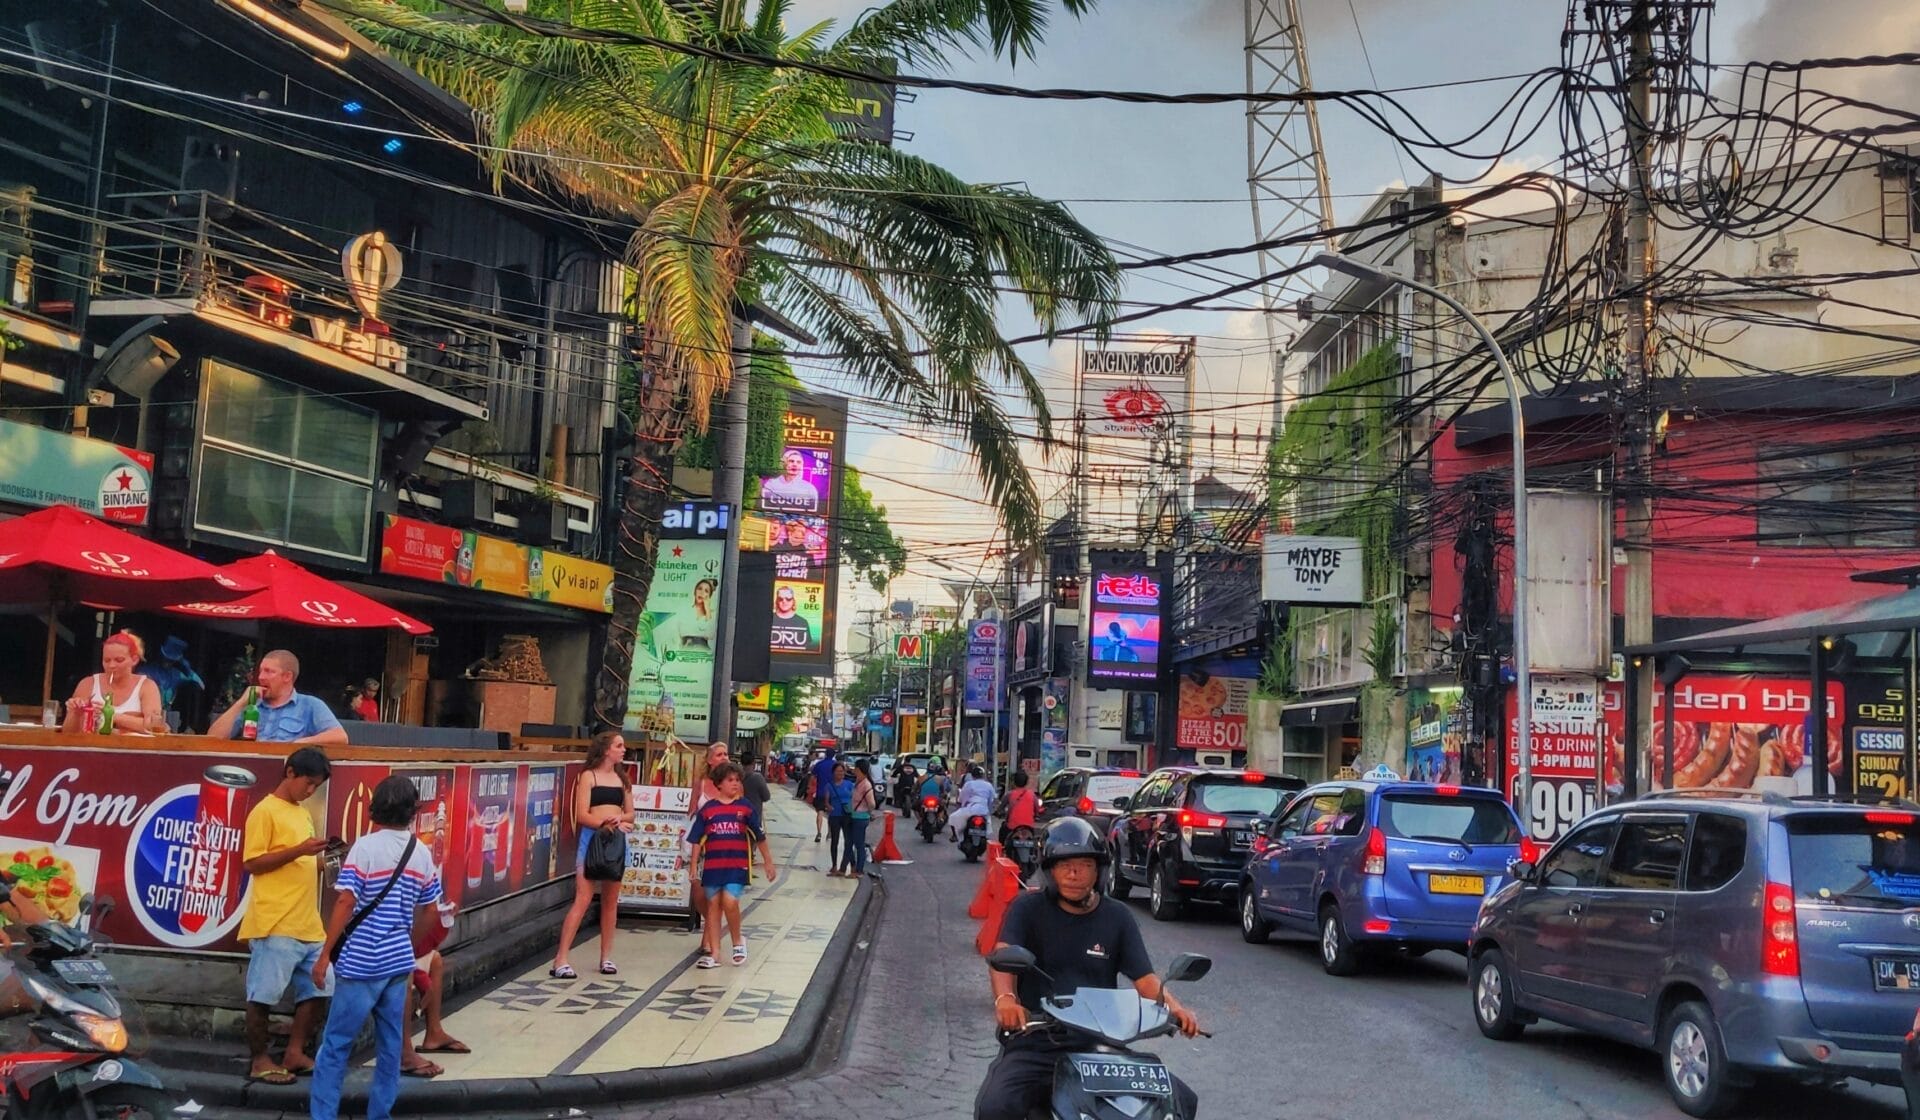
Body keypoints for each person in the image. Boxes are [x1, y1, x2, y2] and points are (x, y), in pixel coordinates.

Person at [976, 818, 1200, 1120]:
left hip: (1101, 1044)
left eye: (1085, 864)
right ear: (1050, 870)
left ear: (1099, 870)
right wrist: (1006, 1000)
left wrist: (1177, 1010)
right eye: (1064, 865)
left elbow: (1145, 980)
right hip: (1038, 1041)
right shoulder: (1027, 908)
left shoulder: (1117, 916)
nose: (1074, 874)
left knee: (1180, 1099)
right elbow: (1004, 955)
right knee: (996, 1107)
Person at [310, 776, 444, 1120]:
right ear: (412, 811)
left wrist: (325, 954)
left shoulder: (366, 848)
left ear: (377, 807)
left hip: (361, 962)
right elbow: (432, 910)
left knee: (336, 1046)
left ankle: (323, 1115)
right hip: (398, 964)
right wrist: (409, 945)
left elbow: (346, 900)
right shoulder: (420, 851)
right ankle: (379, 1115)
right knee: (390, 1048)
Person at [238, 747, 334, 1085]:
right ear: (290, 773)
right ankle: (260, 1060)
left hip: (307, 922)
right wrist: (299, 851)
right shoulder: (264, 812)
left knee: (320, 990)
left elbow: (301, 862)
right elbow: (252, 863)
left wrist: (327, 860)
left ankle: (294, 1051)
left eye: (316, 787)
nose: (310, 791)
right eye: (308, 783)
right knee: (262, 995)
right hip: (275, 920)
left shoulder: (302, 812)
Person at [550, 732, 635, 979]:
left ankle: (606, 956)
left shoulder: (623, 780)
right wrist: (604, 823)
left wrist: (620, 819)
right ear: (606, 749)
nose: (623, 750)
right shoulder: (589, 776)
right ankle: (561, 958)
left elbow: (631, 814)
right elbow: (582, 814)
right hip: (593, 838)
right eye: (618, 746)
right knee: (583, 897)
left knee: (611, 900)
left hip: (616, 840)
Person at [686, 762, 777, 969]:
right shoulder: (708, 810)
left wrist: (768, 862)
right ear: (719, 783)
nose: (735, 784)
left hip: (737, 865)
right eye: (730, 780)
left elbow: (759, 836)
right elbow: (697, 840)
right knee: (713, 906)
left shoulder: (745, 807)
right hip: (712, 867)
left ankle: (738, 941)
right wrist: (693, 867)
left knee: (729, 901)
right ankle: (715, 953)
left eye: (737, 780)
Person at [208, 650, 349, 746]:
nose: (261, 677)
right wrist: (241, 703)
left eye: (269, 672)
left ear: (287, 676)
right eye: (261, 671)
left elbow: (340, 737)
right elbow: (213, 739)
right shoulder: (251, 705)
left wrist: (298, 745)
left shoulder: (310, 704)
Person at [61, 630, 165, 735]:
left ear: (134, 660)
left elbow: (154, 726)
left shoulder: (147, 686)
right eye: (106, 660)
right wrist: (75, 714)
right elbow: (68, 733)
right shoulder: (88, 684)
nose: (111, 665)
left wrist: (111, 715)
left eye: (119, 660)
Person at [685, 742, 730, 935]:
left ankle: (710, 935)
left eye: (726, 754)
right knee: (696, 887)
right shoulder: (701, 782)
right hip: (698, 841)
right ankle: (710, 924)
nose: (724, 757)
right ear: (710, 760)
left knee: (716, 892)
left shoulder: (733, 783)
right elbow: (691, 812)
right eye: (719, 754)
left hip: (721, 843)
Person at [838, 760, 877, 878]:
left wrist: (868, 811)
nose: (854, 770)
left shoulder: (866, 784)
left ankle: (858, 870)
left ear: (860, 769)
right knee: (849, 843)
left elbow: (872, 803)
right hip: (853, 816)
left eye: (856, 768)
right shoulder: (858, 782)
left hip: (860, 818)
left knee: (859, 845)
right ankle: (848, 868)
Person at [951, 765, 996, 843]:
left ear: (972, 775)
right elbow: (992, 799)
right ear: (982, 775)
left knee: (953, 817)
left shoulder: (969, 784)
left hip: (970, 810)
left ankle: (955, 836)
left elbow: (962, 798)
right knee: (988, 824)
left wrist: (962, 805)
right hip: (984, 811)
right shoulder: (988, 785)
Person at [824, 762, 854, 876]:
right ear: (833, 773)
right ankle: (834, 866)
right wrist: (829, 806)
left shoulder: (849, 784)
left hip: (847, 815)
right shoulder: (829, 786)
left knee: (848, 841)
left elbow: (855, 798)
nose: (840, 773)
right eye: (838, 771)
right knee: (834, 842)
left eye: (842, 771)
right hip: (834, 816)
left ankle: (852, 866)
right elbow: (826, 800)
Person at [999, 770, 1038, 845]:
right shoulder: (1032, 795)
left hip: (1012, 827)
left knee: (1003, 835)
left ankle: (1003, 851)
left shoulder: (1009, 795)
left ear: (1014, 782)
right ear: (1026, 782)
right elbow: (1037, 810)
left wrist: (999, 812)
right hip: (1029, 827)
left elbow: (1000, 808)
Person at [769, 585, 814, 649]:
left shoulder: (802, 622)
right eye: (780, 599)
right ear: (777, 601)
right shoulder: (767, 620)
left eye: (788, 599)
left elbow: (807, 649)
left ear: (793, 601)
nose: (784, 601)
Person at [810, 747, 838, 843]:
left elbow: (813, 776)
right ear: (834, 755)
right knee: (831, 813)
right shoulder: (836, 765)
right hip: (833, 793)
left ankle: (819, 832)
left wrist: (810, 788)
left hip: (821, 791)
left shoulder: (819, 764)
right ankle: (829, 833)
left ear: (826, 754)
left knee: (820, 812)